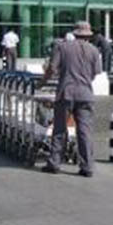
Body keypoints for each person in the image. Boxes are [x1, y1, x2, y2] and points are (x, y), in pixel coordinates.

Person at [39, 21, 102, 177]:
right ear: (88, 36)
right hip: (85, 94)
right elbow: (96, 72)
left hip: (65, 93)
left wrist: (42, 83)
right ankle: (87, 166)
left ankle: (54, 163)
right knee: (84, 131)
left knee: (59, 128)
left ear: (75, 34)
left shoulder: (62, 47)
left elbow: (52, 69)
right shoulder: (94, 51)